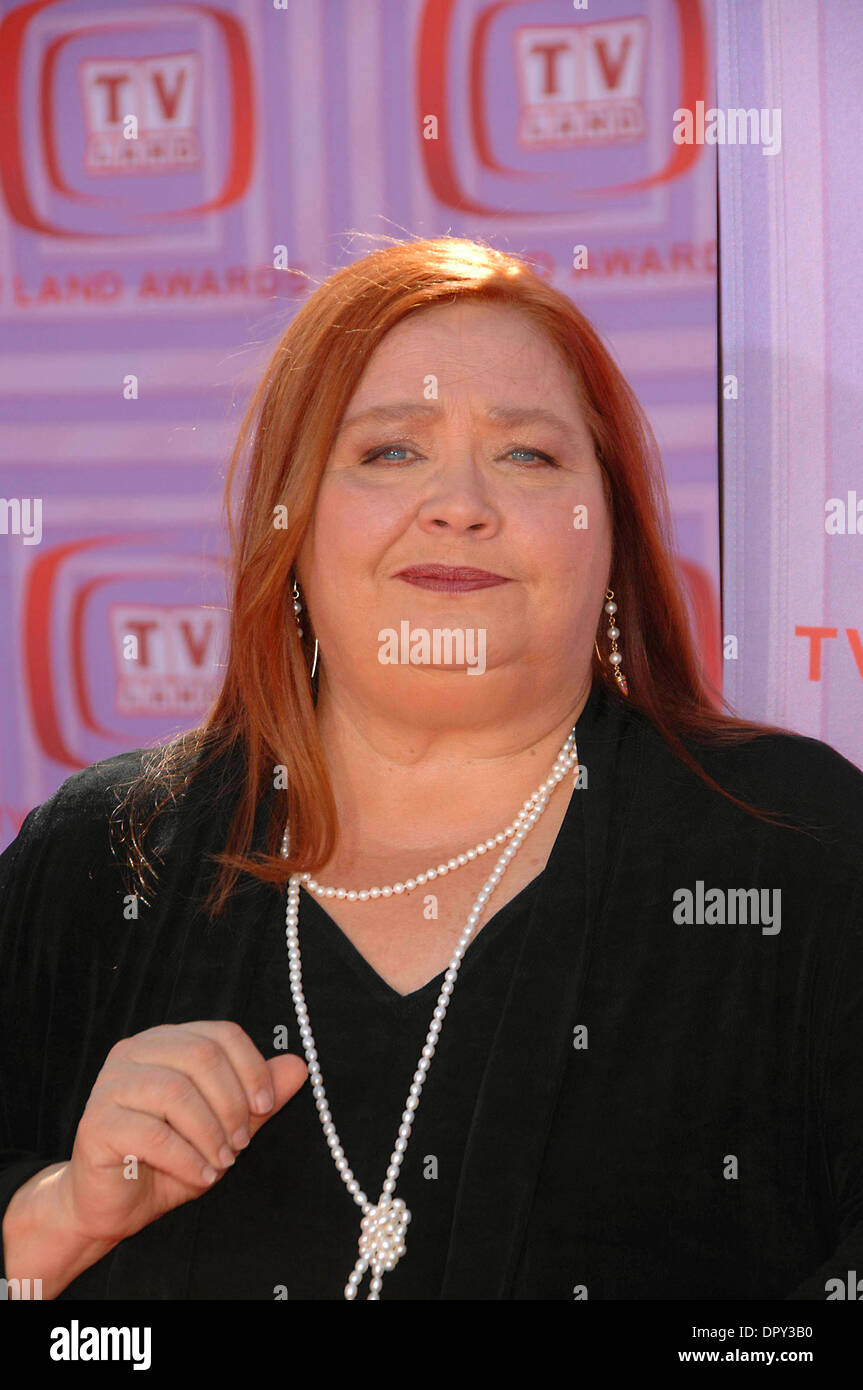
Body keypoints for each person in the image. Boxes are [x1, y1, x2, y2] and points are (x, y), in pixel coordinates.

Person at [1, 237, 861, 1301]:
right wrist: (54, 1223)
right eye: (390, 452)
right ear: (292, 521)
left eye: (527, 455)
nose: (459, 501)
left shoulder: (794, 849)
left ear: (611, 537)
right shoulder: (98, 859)